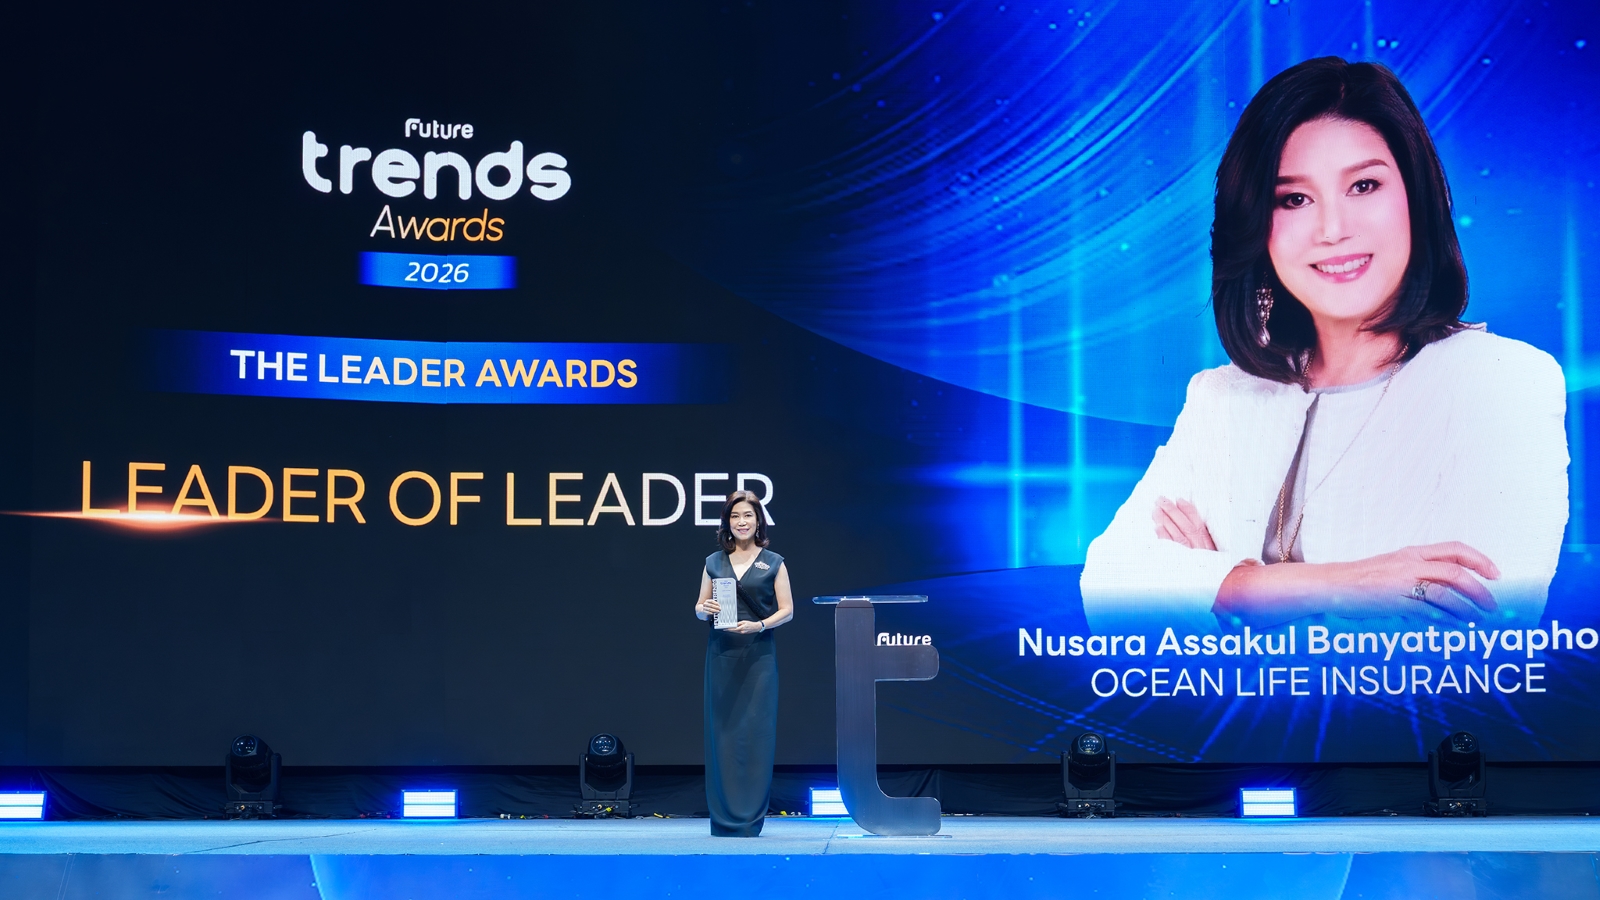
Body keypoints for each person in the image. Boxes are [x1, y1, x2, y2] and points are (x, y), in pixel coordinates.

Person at [1080, 57, 1568, 636]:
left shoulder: (1503, 382)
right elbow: (1111, 590)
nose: (1333, 229)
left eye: (1364, 186)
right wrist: (1347, 584)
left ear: (1416, 197)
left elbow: (1478, 634)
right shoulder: (1222, 397)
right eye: (1294, 199)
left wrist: (1213, 590)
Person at [693, 490, 794, 836]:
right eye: (735, 516)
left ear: (758, 521)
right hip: (721, 655)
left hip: (758, 658)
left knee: (755, 735)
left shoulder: (774, 562)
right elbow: (698, 607)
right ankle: (723, 818)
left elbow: (787, 610)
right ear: (727, 523)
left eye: (748, 515)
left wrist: (760, 625)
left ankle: (750, 817)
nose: (741, 522)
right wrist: (704, 609)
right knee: (721, 735)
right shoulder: (713, 562)